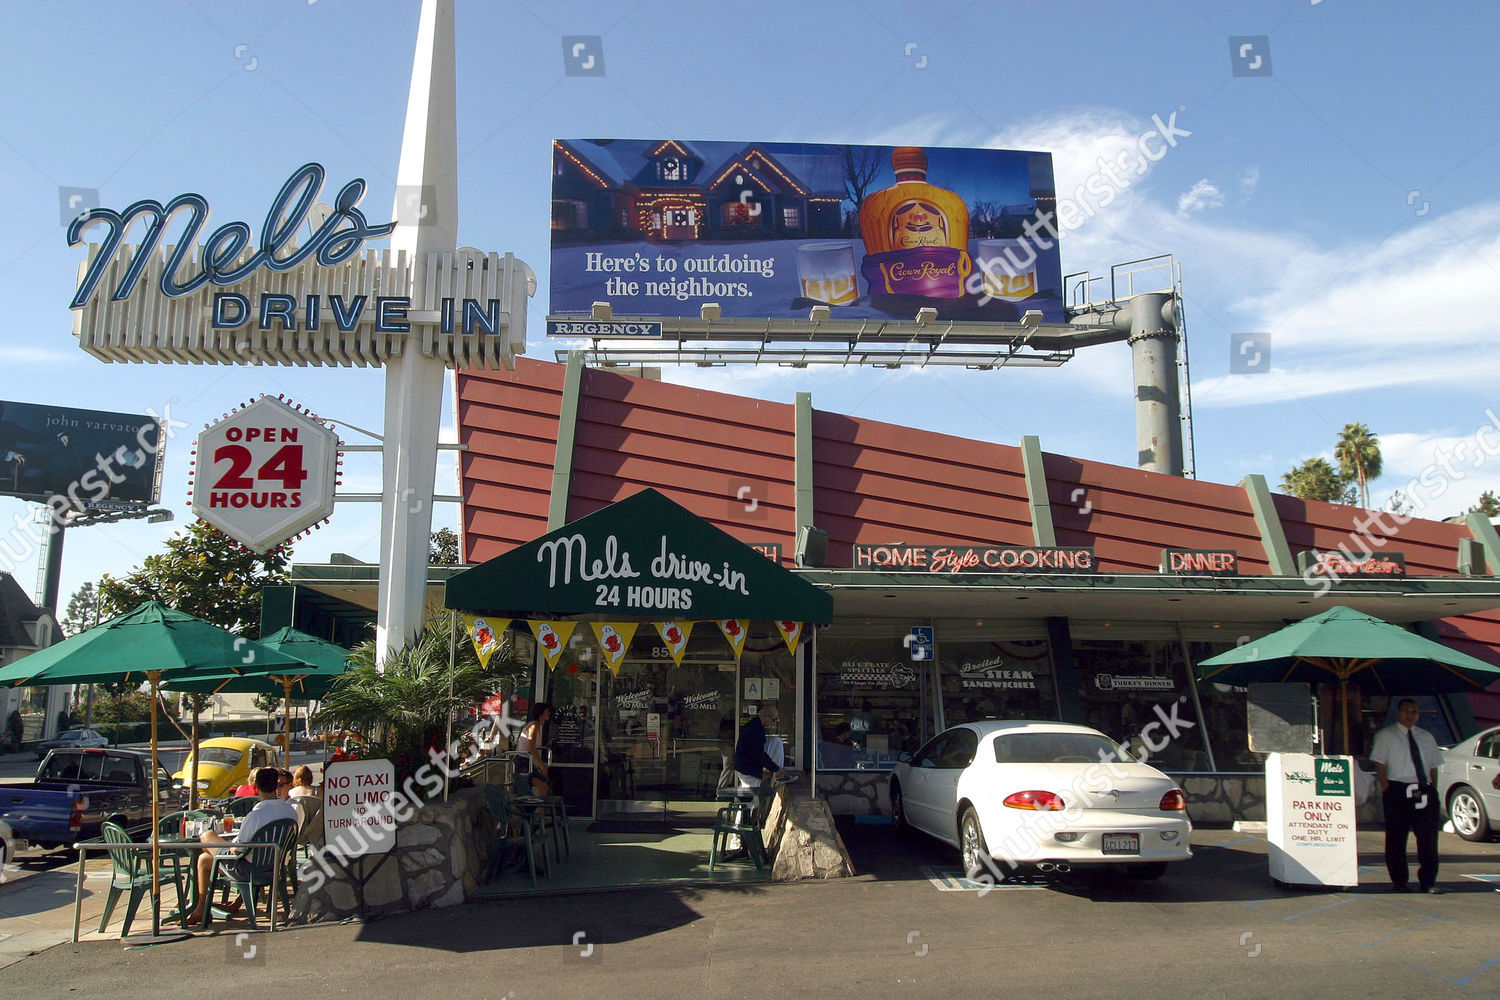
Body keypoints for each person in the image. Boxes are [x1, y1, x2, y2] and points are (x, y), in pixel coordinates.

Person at [185, 766, 299, 926]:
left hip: (249, 870)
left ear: (256, 788)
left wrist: (227, 845)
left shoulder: (256, 815)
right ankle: (201, 908)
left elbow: (237, 849)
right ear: (276, 786)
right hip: (275, 867)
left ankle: (200, 907)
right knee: (204, 859)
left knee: (206, 836)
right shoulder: (290, 812)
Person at [1370, 699, 1445, 893]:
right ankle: (1400, 881)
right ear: (1399, 712)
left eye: (1415, 712)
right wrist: (1386, 787)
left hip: (1422, 789)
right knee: (1396, 836)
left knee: (1427, 837)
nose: (1410, 715)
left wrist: (1432, 789)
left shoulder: (1426, 737)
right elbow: (1380, 764)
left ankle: (1428, 881)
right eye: (1407, 711)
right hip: (1398, 789)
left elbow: (1434, 766)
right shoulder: (1386, 736)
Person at [734, 704, 785, 790]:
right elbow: (758, 753)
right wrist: (775, 769)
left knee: (776, 742)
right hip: (747, 768)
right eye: (773, 720)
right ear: (766, 717)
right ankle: (777, 775)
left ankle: (777, 776)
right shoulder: (755, 729)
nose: (774, 723)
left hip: (746, 765)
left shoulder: (757, 725)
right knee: (754, 797)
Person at [515, 702, 554, 796]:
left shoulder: (534, 725)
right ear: (541, 713)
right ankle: (540, 809)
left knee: (522, 789)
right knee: (542, 786)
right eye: (547, 711)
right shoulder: (534, 725)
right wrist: (541, 765)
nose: (549, 713)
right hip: (524, 761)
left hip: (524, 760)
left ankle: (538, 809)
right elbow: (531, 746)